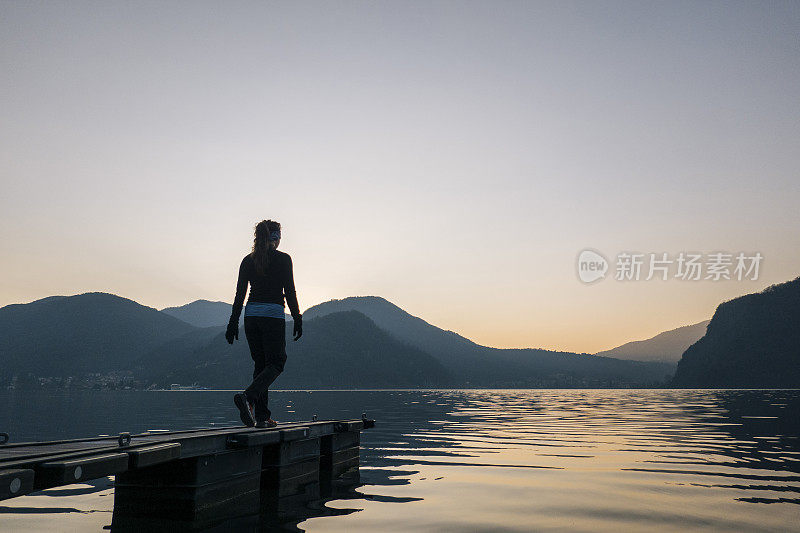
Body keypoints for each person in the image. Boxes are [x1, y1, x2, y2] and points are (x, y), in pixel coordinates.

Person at [225, 219, 303, 428]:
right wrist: (297, 317)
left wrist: (232, 323)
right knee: (277, 363)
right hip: (272, 317)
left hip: (251, 318)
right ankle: (248, 397)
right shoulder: (284, 259)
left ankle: (261, 417)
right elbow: (290, 291)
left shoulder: (247, 261)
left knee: (261, 366)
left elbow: (240, 295)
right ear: (275, 238)